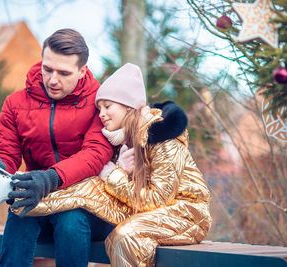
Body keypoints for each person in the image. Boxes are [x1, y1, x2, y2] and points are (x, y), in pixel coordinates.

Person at [19, 63, 212, 266]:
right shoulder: (119, 142)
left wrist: (114, 176)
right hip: (147, 211)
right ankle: (27, 196)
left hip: (187, 213)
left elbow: (158, 198)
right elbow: (101, 191)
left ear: (128, 106)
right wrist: (35, 194)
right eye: (99, 108)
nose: (101, 114)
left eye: (108, 106)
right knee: (87, 206)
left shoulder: (164, 140)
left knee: (125, 236)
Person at [0, 28, 114, 267]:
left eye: (64, 73)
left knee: (70, 220)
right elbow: (7, 149)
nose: (53, 80)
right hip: (38, 199)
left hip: (88, 205)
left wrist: (51, 178)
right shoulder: (16, 103)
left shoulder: (101, 101)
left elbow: (95, 154)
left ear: (82, 70)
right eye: (47, 69)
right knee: (20, 211)